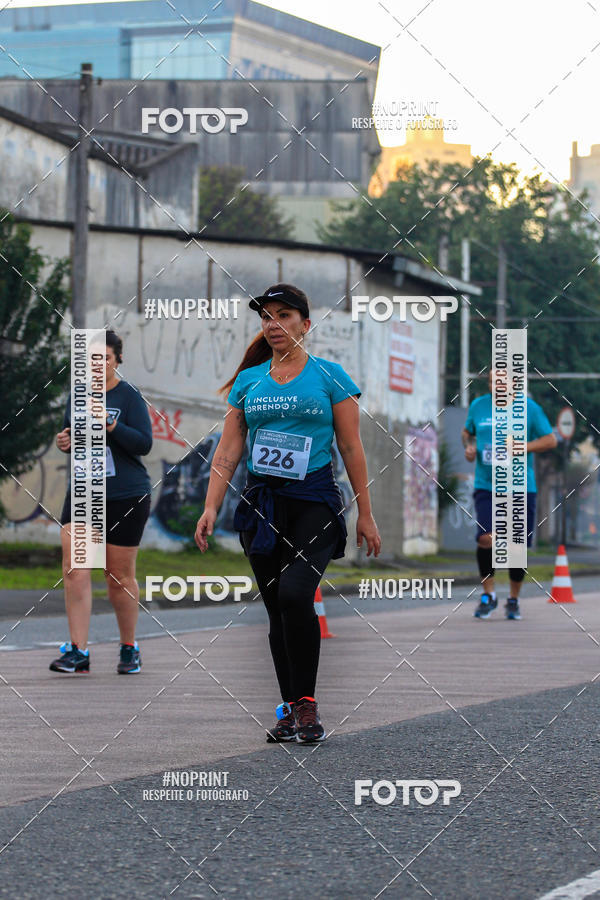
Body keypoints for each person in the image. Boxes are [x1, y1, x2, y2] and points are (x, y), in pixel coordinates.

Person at [194, 284, 381, 743]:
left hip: (314, 500)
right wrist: (210, 505)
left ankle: (307, 704)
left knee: (297, 595)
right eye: (266, 317)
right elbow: (228, 450)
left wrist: (366, 513)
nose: (273, 324)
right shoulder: (249, 382)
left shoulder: (330, 376)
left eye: (283, 315)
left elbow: (351, 447)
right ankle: (289, 708)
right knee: (278, 610)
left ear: (305, 324)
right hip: (261, 504)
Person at [50, 329, 153, 674]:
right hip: (83, 491)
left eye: (104, 359)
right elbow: (71, 436)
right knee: (76, 569)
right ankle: (78, 651)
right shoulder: (76, 396)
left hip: (126, 495)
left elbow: (143, 444)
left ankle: (129, 647)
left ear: (117, 360)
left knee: (117, 576)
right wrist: (64, 441)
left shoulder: (129, 396)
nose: (97, 366)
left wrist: (110, 426)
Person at [462, 368, 556, 620]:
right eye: (493, 382)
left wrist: (524, 446)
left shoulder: (530, 408)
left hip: (521, 487)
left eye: (502, 383)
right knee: (485, 538)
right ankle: (489, 595)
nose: (497, 387)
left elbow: (550, 440)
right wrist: (469, 448)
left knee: (516, 548)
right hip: (487, 484)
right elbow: (467, 432)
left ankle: (513, 599)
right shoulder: (478, 406)